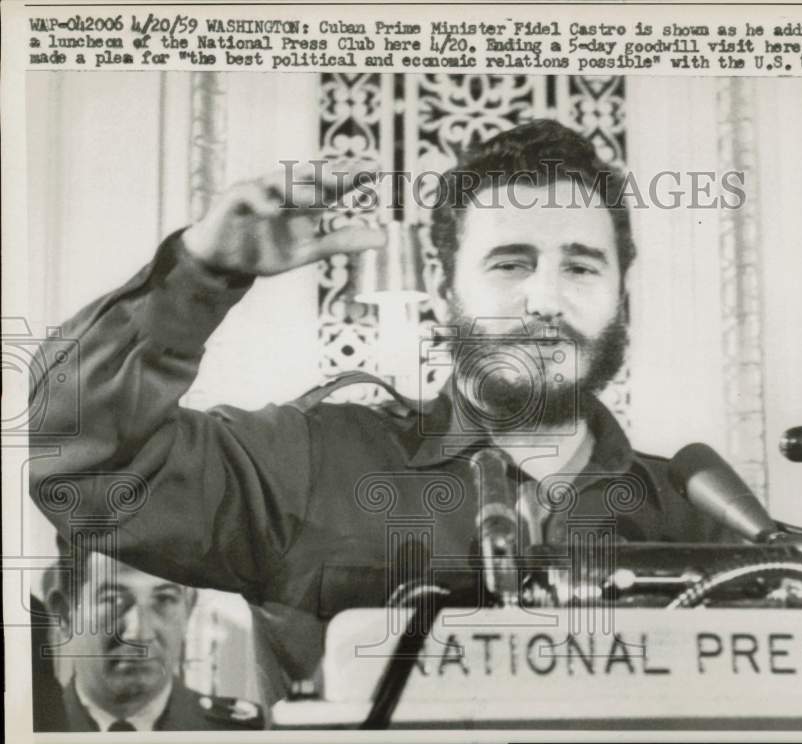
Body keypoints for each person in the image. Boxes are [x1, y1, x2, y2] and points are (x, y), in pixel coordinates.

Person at [29, 120, 735, 704]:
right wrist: (197, 276)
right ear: (443, 289)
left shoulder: (703, 518)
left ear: (621, 296)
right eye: (512, 263)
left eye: (581, 266)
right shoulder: (309, 462)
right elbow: (87, 468)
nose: (546, 298)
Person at [38, 547, 264, 731]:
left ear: (189, 608)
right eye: (113, 601)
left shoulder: (239, 735)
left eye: (164, 599)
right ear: (66, 615)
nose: (140, 633)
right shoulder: (31, 730)